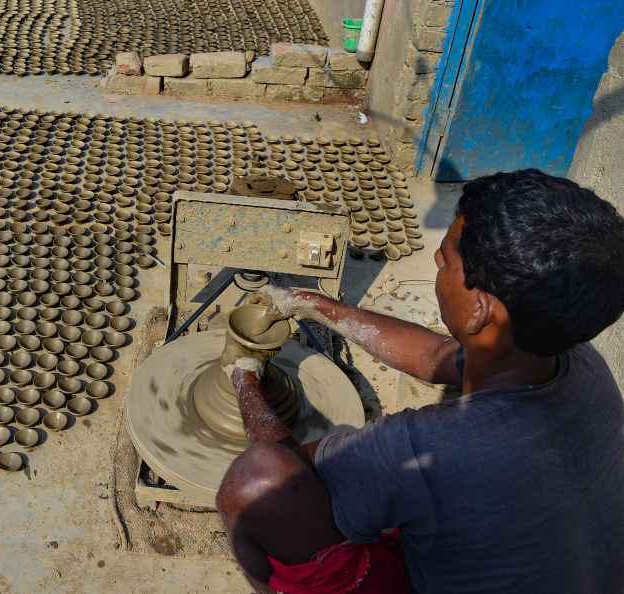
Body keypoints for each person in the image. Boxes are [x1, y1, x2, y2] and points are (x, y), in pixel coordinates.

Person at [217, 169, 624, 594]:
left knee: (251, 484)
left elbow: (284, 474)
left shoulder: (427, 448)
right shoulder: (578, 362)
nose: (435, 260)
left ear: (480, 311)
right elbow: (434, 355)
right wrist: (310, 304)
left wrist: (243, 374)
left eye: (447, 257)